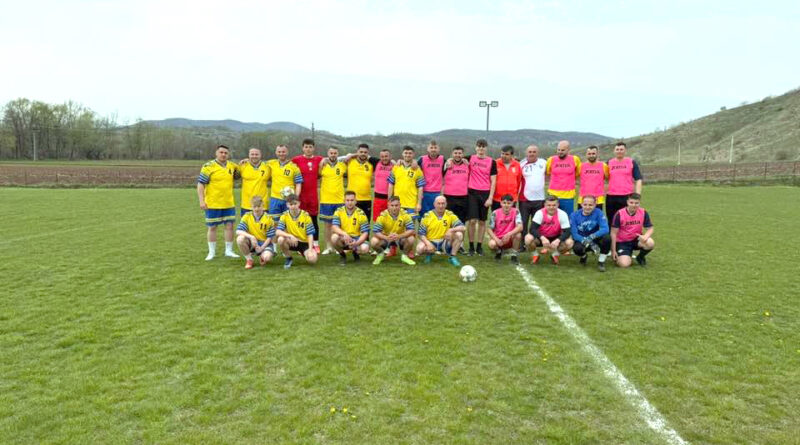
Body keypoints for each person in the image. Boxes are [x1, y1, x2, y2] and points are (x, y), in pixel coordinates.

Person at [197, 144, 240, 260]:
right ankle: (211, 252)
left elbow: (241, 172)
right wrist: (201, 201)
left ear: (228, 154)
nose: (223, 154)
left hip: (228, 202)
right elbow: (201, 184)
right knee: (212, 227)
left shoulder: (232, 166)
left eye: (226, 153)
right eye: (221, 152)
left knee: (230, 226)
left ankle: (229, 251)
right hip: (213, 203)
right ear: (216, 153)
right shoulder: (208, 166)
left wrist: (244, 162)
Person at [465, 139, 497, 256]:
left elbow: (493, 181)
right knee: (472, 220)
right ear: (476, 147)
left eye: (483, 146)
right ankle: (471, 246)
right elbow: (456, 158)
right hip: (472, 192)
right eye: (479, 146)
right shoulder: (469, 158)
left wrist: (490, 197)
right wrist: (448, 161)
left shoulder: (492, 162)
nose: (481, 148)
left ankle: (479, 246)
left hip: (485, 193)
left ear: (486, 148)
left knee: (482, 221)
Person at [292, 138, 324, 252]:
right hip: (300, 196)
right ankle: (300, 243)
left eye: (310, 147)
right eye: (306, 147)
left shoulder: (319, 159)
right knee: (299, 220)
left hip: (313, 196)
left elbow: (334, 159)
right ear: (302, 148)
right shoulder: (296, 160)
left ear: (313, 148)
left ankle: (316, 244)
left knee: (313, 220)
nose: (308, 149)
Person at [416, 195, 465, 267]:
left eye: (443, 203)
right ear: (434, 204)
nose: (441, 206)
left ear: (446, 204)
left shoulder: (449, 214)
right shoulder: (427, 216)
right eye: (438, 203)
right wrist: (428, 244)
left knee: (459, 234)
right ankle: (429, 254)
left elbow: (463, 227)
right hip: (431, 241)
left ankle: (452, 257)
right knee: (419, 249)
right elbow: (421, 234)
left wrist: (451, 230)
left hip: (444, 242)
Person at [525, 195, 573, 265]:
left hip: (556, 237)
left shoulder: (562, 214)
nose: (551, 207)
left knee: (570, 243)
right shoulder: (539, 213)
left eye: (554, 205)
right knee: (528, 238)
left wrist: (558, 240)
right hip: (541, 237)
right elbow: (532, 229)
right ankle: (535, 255)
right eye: (549, 205)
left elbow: (567, 232)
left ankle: (555, 255)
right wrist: (542, 238)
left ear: (558, 205)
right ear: (544, 205)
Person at [610, 193, 654, 268]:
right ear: (627, 202)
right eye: (631, 202)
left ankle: (640, 257)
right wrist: (613, 250)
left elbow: (650, 228)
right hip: (622, 242)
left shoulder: (643, 212)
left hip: (636, 239)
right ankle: (626, 255)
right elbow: (613, 233)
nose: (634, 205)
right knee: (624, 264)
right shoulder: (619, 214)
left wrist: (645, 236)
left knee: (650, 243)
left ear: (639, 203)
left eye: (636, 203)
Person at [275, 194, 318, 268]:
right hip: (291, 241)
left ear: (299, 203)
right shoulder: (284, 216)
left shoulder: (306, 216)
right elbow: (278, 231)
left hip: (304, 243)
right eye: (291, 204)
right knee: (280, 239)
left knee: (312, 260)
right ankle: (289, 258)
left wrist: (310, 249)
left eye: (295, 204)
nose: (293, 206)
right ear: (287, 205)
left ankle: (304, 252)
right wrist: (290, 236)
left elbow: (310, 234)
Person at [371, 196, 416, 266]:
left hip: (400, 238)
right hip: (386, 238)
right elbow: (376, 231)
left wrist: (399, 236)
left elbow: (411, 229)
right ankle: (380, 254)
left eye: (396, 205)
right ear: (388, 205)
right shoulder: (383, 215)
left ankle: (404, 256)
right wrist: (386, 237)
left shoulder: (405, 214)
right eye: (392, 205)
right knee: (373, 241)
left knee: (411, 239)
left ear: (400, 205)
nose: (394, 208)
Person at [318, 146, 347, 255]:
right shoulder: (323, 165)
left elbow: (350, 156)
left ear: (337, 154)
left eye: (335, 153)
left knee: (340, 225)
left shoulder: (342, 165)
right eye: (331, 153)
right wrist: (322, 161)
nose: (333, 155)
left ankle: (339, 246)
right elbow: (318, 174)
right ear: (328, 153)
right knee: (327, 225)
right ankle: (328, 247)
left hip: (339, 200)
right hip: (326, 200)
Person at [569, 195, 610, 272]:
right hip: (582, 239)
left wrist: (592, 237)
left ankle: (601, 262)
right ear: (581, 204)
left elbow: (605, 229)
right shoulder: (574, 215)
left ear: (595, 205)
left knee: (607, 238)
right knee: (577, 249)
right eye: (585, 204)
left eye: (590, 205)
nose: (587, 207)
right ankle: (584, 256)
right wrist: (587, 242)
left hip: (594, 238)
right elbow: (574, 234)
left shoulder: (598, 212)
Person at [606, 141, 644, 223]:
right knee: (612, 220)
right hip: (611, 197)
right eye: (617, 149)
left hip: (627, 196)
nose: (619, 151)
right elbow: (602, 178)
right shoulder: (609, 163)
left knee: (627, 220)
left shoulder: (631, 162)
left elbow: (638, 179)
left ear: (625, 151)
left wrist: (637, 195)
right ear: (614, 151)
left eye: (621, 149)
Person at [235, 196, 275, 269]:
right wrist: (252, 237)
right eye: (254, 207)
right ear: (251, 206)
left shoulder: (268, 218)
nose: (256, 209)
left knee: (267, 258)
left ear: (263, 206)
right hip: (252, 242)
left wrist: (262, 248)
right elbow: (238, 231)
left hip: (264, 243)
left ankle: (262, 255)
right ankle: (249, 259)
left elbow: (270, 237)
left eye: (259, 206)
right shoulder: (247, 216)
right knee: (240, 239)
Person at [331, 191, 371, 265]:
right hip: (344, 238)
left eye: (352, 200)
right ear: (344, 201)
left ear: (356, 201)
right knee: (334, 237)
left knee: (365, 248)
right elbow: (334, 227)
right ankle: (342, 255)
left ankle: (356, 253)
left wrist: (356, 243)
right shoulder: (339, 211)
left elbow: (365, 233)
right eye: (347, 200)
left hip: (356, 239)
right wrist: (344, 234)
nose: (350, 202)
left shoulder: (361, 213)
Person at [266, 144, 303, 220]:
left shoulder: (294, 167)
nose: (281, 154)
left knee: (288, 222)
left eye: (283, 152)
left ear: (287, 152)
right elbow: (257, 162)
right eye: (279, 152)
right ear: (276, 152)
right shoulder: (271, 163)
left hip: (289, 199)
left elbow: (298, 183)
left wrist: (295, 197)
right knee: (274, 222)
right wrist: (247, 160)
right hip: (275, 198)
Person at [387, 146, 425, 219]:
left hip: (411, 204)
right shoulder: (396, 167)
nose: (407, 155)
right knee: (398, 224)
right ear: (402, 154)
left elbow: (420, 188)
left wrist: (419, 203)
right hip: (397, 203)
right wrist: (389, 201)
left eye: (410, 153)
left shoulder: (417, 169)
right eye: (406, 153)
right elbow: (391, 185)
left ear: (413, 154)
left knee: (411, 225)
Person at [519, 144, 547, 239]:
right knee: (523, 222)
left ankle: (534, 242)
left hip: (540, 199)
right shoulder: (521, 164)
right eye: (530, 152)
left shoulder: (544, 163)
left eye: (534, 152)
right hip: (524, 199)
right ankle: (522, 243)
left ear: (538, 153)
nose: (532, 154)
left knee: (536, 223)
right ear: (526, 153)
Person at [345, 143, 379, 219]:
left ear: (368, 153)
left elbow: (383, 162)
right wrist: (351, 155)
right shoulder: (350, 161)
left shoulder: (371, 164)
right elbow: (335, 159)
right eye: (361, 152)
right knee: (351, 223)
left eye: (365, 152)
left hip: (366, 200)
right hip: (352, 199)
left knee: (365, 223)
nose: (363, 154)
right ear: (357, 152)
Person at [546, 140, 581, 214]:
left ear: (568, 150)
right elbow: (548, 173)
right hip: (553, 194)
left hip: (568, 195)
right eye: (558, 150)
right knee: (552, 217)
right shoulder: (551, 159)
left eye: (562, 150)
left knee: (568, 218)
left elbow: (578, 173)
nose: (560, 152)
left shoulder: (575, 159)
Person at [487, 194, 523, 264]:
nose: (506, 205)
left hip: (510, 238)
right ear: (500, 203)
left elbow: (520, 227)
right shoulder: (495, 213)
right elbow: (489, 229)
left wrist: (509, 234)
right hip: (499, 239)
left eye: (509, 203)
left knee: (518, 235)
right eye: (504, 203)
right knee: (492, 244)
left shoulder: (516, 211)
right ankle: (498, 252)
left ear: (512, 203)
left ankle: (514, 256)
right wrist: (497, 240)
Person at [442, 146, 470, 225]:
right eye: (455, 153)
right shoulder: (447, 164)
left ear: (463, 155)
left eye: (460, 153)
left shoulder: (467, 165)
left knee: (461, 222)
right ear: (452, 154)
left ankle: (460, 234)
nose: (457, 155)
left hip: (463, 197)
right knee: (449, 222)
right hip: (449, 197)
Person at [239, 147, 270, 216]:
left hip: (262, 204)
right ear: (249, 155)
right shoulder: (242, 165)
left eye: (256, 154)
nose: (254, 156)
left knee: (263, 223)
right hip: (247, 204)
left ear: (260, 155)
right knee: (246, 223)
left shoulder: (267, 167)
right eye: (252, 154)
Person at [492, 145, 522, 211]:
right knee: (497, 216)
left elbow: (518, 181)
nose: (504, 156)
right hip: (497, 199)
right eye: (502, 153)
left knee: (511, 217)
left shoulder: (517, 165)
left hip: (511, 199)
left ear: (512, 155)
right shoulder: (495, 163)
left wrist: (515, 195)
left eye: (507, 154)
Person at [579, 145, 609, 211]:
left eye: (593, 153)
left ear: (597, 154)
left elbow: (608, 178)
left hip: (598, 199)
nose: (591, 155)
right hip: (583, 198)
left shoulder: (603, 166)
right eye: (589, 154)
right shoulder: (581, 166)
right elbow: (575, 177)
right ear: (586, 154)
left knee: (597, 217)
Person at [418, 140, 444, 216]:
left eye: (435, 148)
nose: (433, 149)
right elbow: (411, 164)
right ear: (428, 149)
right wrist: (399, 161)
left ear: (438, 149)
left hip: (437, 192)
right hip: (424, 192)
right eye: (431, 147)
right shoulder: (422, 159)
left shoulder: (442, 159)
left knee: (436, 215)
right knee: (424, 215)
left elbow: (453, 162)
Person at [372, 149, 395, 222]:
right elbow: (363, 155)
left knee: (389, 222)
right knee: (377, 221)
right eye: (382, 156)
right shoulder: (376, 162)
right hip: (377, 198)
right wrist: (350, 155)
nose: (384, 158)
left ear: (390, 156)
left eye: (386, 156)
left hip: (390, 198)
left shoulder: (395, 165)